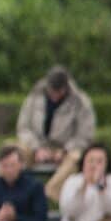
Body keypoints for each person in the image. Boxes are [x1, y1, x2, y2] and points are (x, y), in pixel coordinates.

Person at [16, 66, 97, 202]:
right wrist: (37, 148)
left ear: (66, 88)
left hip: (66, 149)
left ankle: (51, 191)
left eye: (58, 92)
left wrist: (65, 150)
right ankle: (12, 193)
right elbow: (23, 128)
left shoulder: (81, 102)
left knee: (76, 156)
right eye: (52, 92)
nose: (54, 97)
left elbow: (85, 135)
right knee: (12, 151)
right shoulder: (34, 96)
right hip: (37, 146)